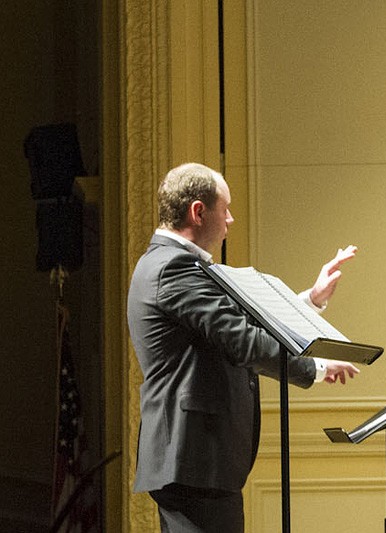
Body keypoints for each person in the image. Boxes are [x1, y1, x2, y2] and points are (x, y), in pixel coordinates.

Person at [127, 162, 360, 532]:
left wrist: (310, 301)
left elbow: (238, 324)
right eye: (226, 208)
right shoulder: (173, 268)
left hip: (198, 459)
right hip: (194, 458)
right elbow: (241, 337)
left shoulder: (172, 265)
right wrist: (314, 368)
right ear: (198, 212)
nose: (231, 219)